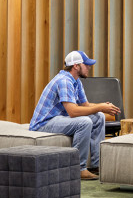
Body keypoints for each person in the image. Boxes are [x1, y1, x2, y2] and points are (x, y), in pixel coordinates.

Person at [30, 50, 121, 180]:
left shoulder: (76, 81)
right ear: (76, 66)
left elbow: (85, 105)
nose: (89, 67)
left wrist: (102, 107)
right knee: (84, 122)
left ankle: (96, 164)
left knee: (99, 117)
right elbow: (73, 112)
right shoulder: (64, 81)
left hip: (59, 119)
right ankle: (78, 168)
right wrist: (100, 107)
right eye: (86, 64)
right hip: (44, 123)